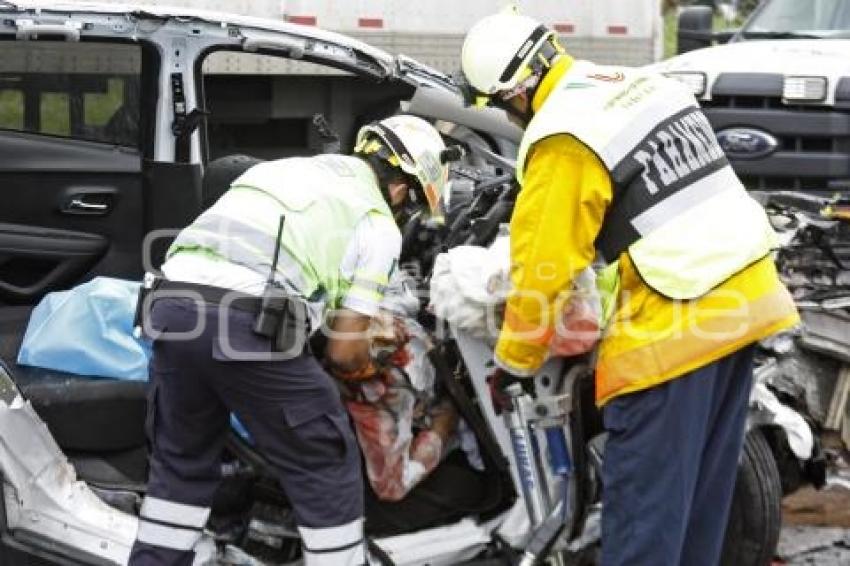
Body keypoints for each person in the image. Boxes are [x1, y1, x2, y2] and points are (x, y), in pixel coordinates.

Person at [460, 11, 799, 566]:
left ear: (514, 93)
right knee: (697, 511)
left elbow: (544, 266)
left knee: (645, 521)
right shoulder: (642, 86)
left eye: (499, 105)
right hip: (746, 307)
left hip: (674, 334)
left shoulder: (562, 136)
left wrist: (515, 363)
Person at [128, 115, 448, 566]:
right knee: (324, 457)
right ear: (400, 189)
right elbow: (344, 352)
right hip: (244, 322)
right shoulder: (377, 223)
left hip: (170, 307)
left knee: (181, 467)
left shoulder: (283, 170)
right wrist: (368, 366)